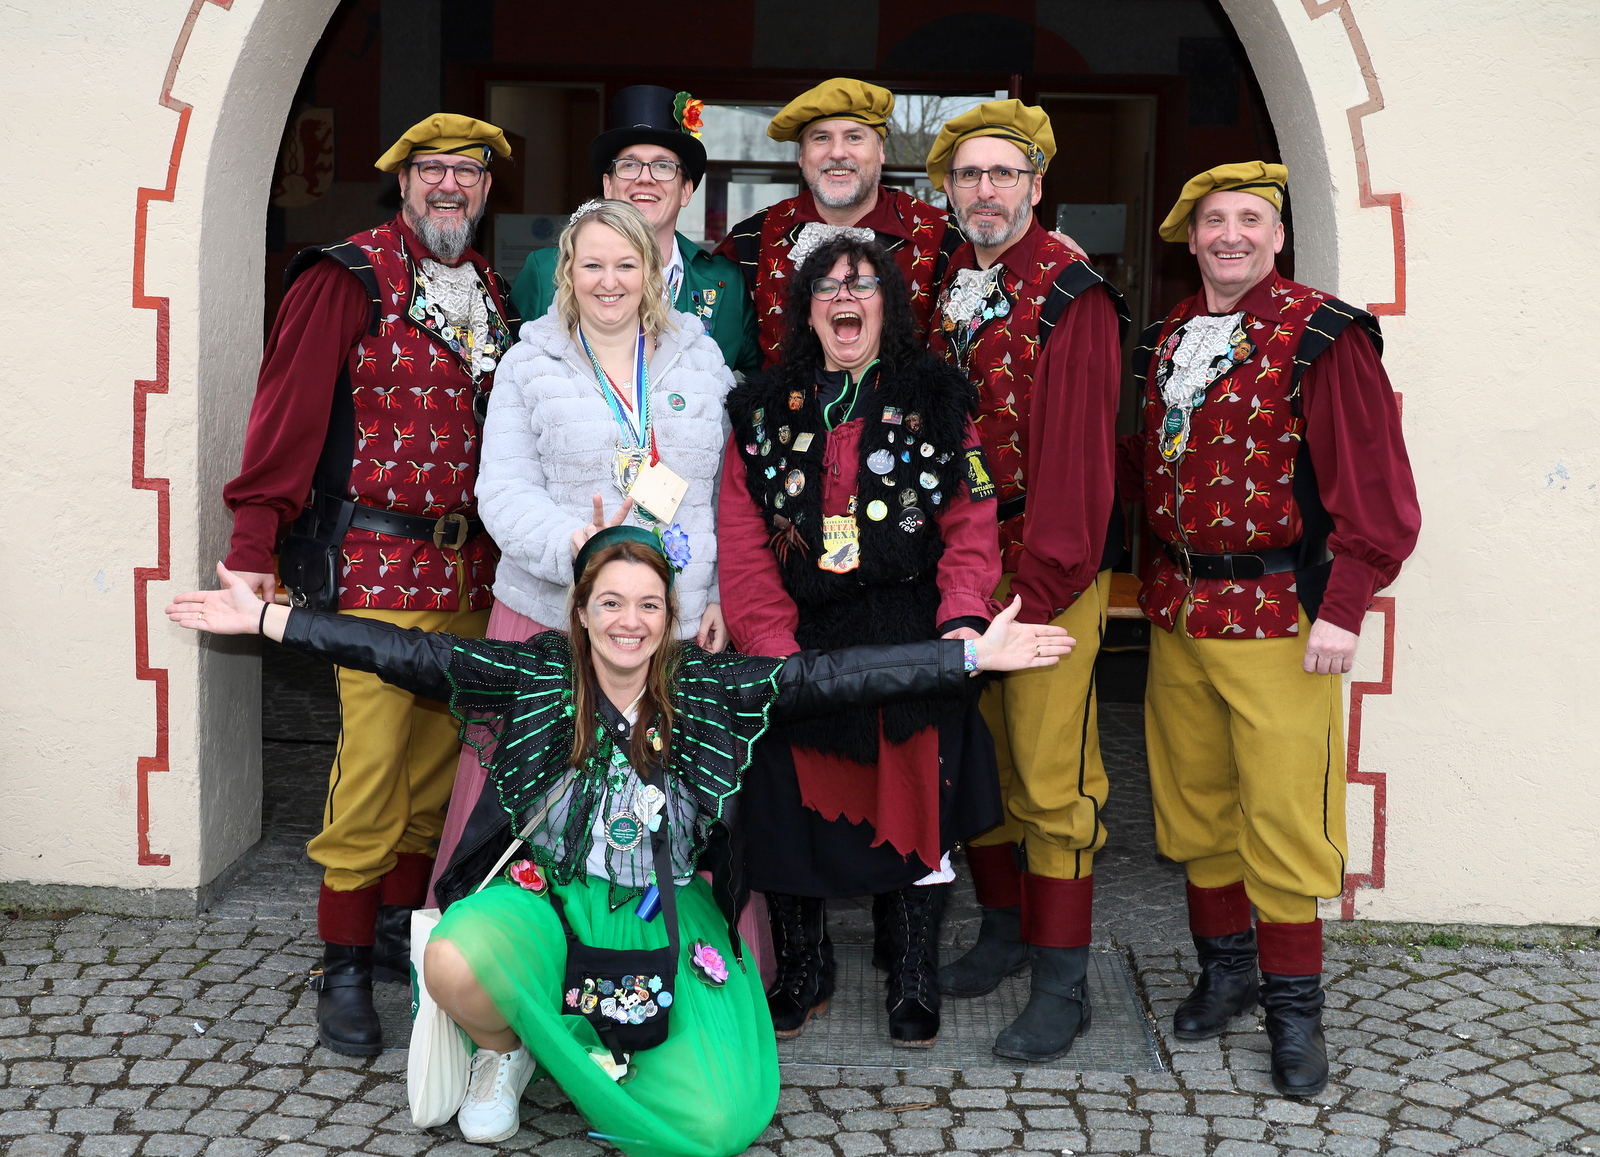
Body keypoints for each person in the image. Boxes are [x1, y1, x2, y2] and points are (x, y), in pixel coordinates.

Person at [166, 531, 1073, 1155]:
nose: (628, 621)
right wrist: (267, 619)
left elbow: (832, 677)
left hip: (665, 913)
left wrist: (969, 657)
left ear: (669, 614)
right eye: (610, 602)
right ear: (581, 611)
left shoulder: (709, 687)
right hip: (546, 896)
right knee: (454, 958)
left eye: (647, 604)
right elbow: (404, 653)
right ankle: (504, 1048)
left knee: (717, 1121)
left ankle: (594, 1049)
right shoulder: (532, 674)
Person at [1119, 162, 1420, 1096]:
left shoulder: (1324, 335)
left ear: (1278, 235)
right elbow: (1141, 466)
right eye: (1214, 220)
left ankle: (1296, 1012)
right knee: (1196, 806)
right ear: (1192, 237)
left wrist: (1344, 607)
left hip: (1281, 618)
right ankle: (1228, 973)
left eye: (1250, 219)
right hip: (1178, 609)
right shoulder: (1167, 336)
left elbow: (1377, 490)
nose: (1231, 236)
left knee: (1286, 818)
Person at [220, 113, 516, 1055]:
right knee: (373, 768)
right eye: (431, 169)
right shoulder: (344, 275)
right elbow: (287, 414)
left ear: (486, 189)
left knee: (436, 769)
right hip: (377, 569)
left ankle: (394, 931)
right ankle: (340, 964)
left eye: (467, 171)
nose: (448, 185)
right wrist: (254, 544)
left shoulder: (494, 291)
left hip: (474, 570)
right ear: (403, 181)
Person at [717, 235, 1003, 1047]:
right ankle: (804, 967)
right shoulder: (761, 409)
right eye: (828, 286)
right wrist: (771, 645)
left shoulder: (937, 398)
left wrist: (959, 622)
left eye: (864, 283)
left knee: (915, 795)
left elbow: (972, 522)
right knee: (785, 802)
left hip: (908, 626)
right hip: (797, 631)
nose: (846, 297)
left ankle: (912, 968)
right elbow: (741, 537)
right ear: (807, 309)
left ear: (889, 305)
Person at [429, 198, 738, 903]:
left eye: (626, 264)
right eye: (592, 264)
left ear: (652, 271)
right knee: (539, 810)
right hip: (550, 616)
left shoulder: (702, 359)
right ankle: (529, 953)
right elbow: (502, 490)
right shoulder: (528, 364)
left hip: (673, 619)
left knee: (665, 809)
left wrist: (720, 592)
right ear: (567, 270)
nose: (609, 281)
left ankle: (663, 951)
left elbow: (725, 494)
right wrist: (571, 543)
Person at [923, 100, 1129, 1064]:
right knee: (983, 767)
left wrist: (1037, 592)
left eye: (1004, 173)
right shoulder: (951, 281)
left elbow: (1080, 465)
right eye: (970, 175)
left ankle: (1062, 982)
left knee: (1052, 780)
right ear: (949, 191)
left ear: (1037, 186)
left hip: (1044, 569)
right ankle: (1003, 933)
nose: (986, 189)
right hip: (962, 570)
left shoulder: (1071, 292)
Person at [511, 86, 760, 376]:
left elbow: (764, 382)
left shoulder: (727, 282)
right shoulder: (544, 271)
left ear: (686, 191)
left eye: (663, 166)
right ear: (608, 186)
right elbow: (511, 374)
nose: (645, 178)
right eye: (629, 164)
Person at [715, 78, 961, 366]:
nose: (837, 152)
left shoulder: (943, 235)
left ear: (880, 150)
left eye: (854, 137)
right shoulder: (751, 238)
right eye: (821, 138)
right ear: (802, 155)